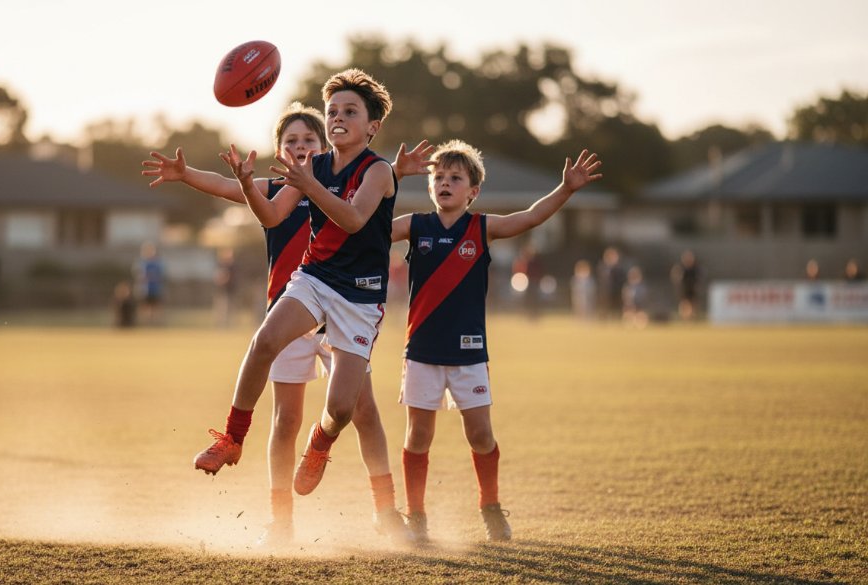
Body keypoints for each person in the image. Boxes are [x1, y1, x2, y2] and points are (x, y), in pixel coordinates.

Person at [142, 98, 432, 545]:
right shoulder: (290, 182)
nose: (302, 145)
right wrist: (217, 179)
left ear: (321, 144)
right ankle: (271, 506)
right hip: (300, 298)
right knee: (283, 413)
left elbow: (361, 206)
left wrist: (393, 170)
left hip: (353, 300)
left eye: (308, 139)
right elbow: (241, 195)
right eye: (291, 140)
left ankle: (381, 506)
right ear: (280, 149)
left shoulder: (335, 174)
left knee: (356, 411)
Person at [202, 68, 404, 509]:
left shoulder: (379, 172)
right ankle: (233, 439)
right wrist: (244, 184)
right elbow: (272, 217)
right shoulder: (312, 165)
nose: (337, 117)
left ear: (372, 126)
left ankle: (322, 439)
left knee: (343, 411)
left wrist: (309, 184)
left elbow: (352, 219)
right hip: (315, 278)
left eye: (350, 111)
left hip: (360, 297)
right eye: (332, 110)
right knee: (264, 341)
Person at [393, 141, 603, 543]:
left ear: (474, 191)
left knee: (480, 435)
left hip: (469, 354)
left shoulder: (482, 227)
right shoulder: (413, 226)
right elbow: (363, 230)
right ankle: (415, 515)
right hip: (420, 352)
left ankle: (490, 507)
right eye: (438, 178)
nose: (445, 184)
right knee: (418, 436)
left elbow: (530, 217)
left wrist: (566, 190)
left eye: (456, 178)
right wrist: (390, 175)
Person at [132, 241, 165, 325]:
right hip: (145, 289)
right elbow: (139, 276)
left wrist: (153, 277)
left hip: (155, 288)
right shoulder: (142, 263)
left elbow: (160, 275)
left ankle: (156, 323)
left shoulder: (158, 263)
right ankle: (145, 322)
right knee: (144, 306)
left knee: (156, 305)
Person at [669, 249, 700, 322]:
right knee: (684, 303)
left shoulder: (695, 269)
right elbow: (676, 276)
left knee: (693, 303)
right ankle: (685, 317)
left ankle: (692, 317)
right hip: (684, 288)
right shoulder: (681, 268)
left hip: (692, 288)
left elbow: (698, 278)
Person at [596, 246, 625, 321]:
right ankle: (603, 318)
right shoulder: (603, 266)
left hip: (616, 290)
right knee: (604, 306)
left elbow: (621, 279)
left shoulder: (619, 268)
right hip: (605, 290)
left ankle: (617, 318)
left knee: (617, 306)